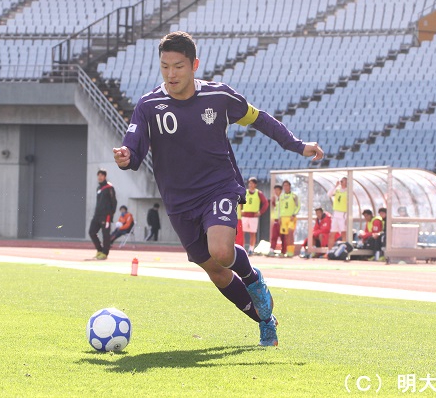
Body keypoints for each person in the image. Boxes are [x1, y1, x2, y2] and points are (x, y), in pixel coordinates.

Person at [113, 31, 323, 346]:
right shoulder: (148, 105)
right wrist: (126, 157)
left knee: (222, 252)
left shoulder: (219, 97)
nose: (171, 74)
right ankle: (265, 321)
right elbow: (133, 147)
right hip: (178, 201)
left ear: (194, 65)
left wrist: (298, 145)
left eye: (178, 66)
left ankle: (253, 278)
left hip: (218, 187)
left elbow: (260, 119)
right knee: (216, 270)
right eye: (165, 67)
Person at [89, 169, 116, 260]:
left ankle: (105, 253)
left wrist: (110, 214)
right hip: (97, 215)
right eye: (98, 175)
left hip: (106, 215)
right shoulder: (98, 188)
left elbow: (114, 202)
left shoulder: (109, 187)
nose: (99, 177)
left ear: (105, 176)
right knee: (92, 232)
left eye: (101, 175)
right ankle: (99, 250)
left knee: (105, 235)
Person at [241, 177, 269, 255]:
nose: (250, 185)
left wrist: (260, 212)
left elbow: (266, 203)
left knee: (252, 233)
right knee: (242, 233)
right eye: (249, 183)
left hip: (253, 216)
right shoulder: (245, 192)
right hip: (245, 215)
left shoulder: (259, 193)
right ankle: (242, 248)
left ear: (255, 184)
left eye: (252, 183)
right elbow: (240, 201)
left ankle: (251, 249)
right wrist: (240, 210)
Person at [278, 180, 300, 257]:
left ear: (290, 186)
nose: (285, 187)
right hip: (283, 218)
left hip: (291, 218)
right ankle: (286, 251)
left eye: (287, 185)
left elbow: (298, 206)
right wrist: (279, 217)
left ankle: (291, 251)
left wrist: (294, 214)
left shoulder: (294, 196)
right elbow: (279, 207)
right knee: (285, 236)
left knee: (290, 234)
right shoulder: (281, 196)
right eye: (284, 185)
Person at [327, 177, 348, 250]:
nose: (341, 182)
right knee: (332, 233)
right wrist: (335, 186)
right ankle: (329, 251)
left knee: (343, 233)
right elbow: (329, 194)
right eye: (341, 181)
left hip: (343, 214)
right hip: (336, 213)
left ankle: (343, 249)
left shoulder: (348, 191)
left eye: (343, 181)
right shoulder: (337, 190)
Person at [267, 184, 284, 257]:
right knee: (274, 235)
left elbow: (282, 209)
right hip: (276, 220)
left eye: (277, 190)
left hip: (282, 220)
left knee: (283, 236)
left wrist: (281, 218)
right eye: (275, 190)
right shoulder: (275, 198)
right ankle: (272, 250)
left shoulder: (283, 198)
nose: (276, 192)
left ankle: (283, 251)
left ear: (281, 191)